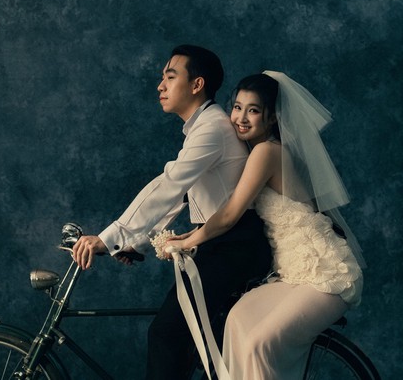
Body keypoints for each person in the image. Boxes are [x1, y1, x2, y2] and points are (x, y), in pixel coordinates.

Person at [71, 45, 272, 380]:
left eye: (170, 76)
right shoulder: (204, 126)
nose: (160, 86)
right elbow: (182, 194)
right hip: (223, 242)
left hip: (233, 247)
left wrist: (108, 239)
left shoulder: (212, 128)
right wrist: (134, 242)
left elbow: (170, 184)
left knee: (166, 336)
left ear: (196, 84)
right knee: (192, 346)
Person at [168, 71, 365, 379]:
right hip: (292, 274)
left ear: (272, 118)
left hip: (326, 273)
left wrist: (187, 242)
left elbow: (230, 214)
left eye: (253, 110)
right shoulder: (255, 152)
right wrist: (191, 234)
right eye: (237, 107)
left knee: (257, 343)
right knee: (237, 321)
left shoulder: (266, 152)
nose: (241, 118)